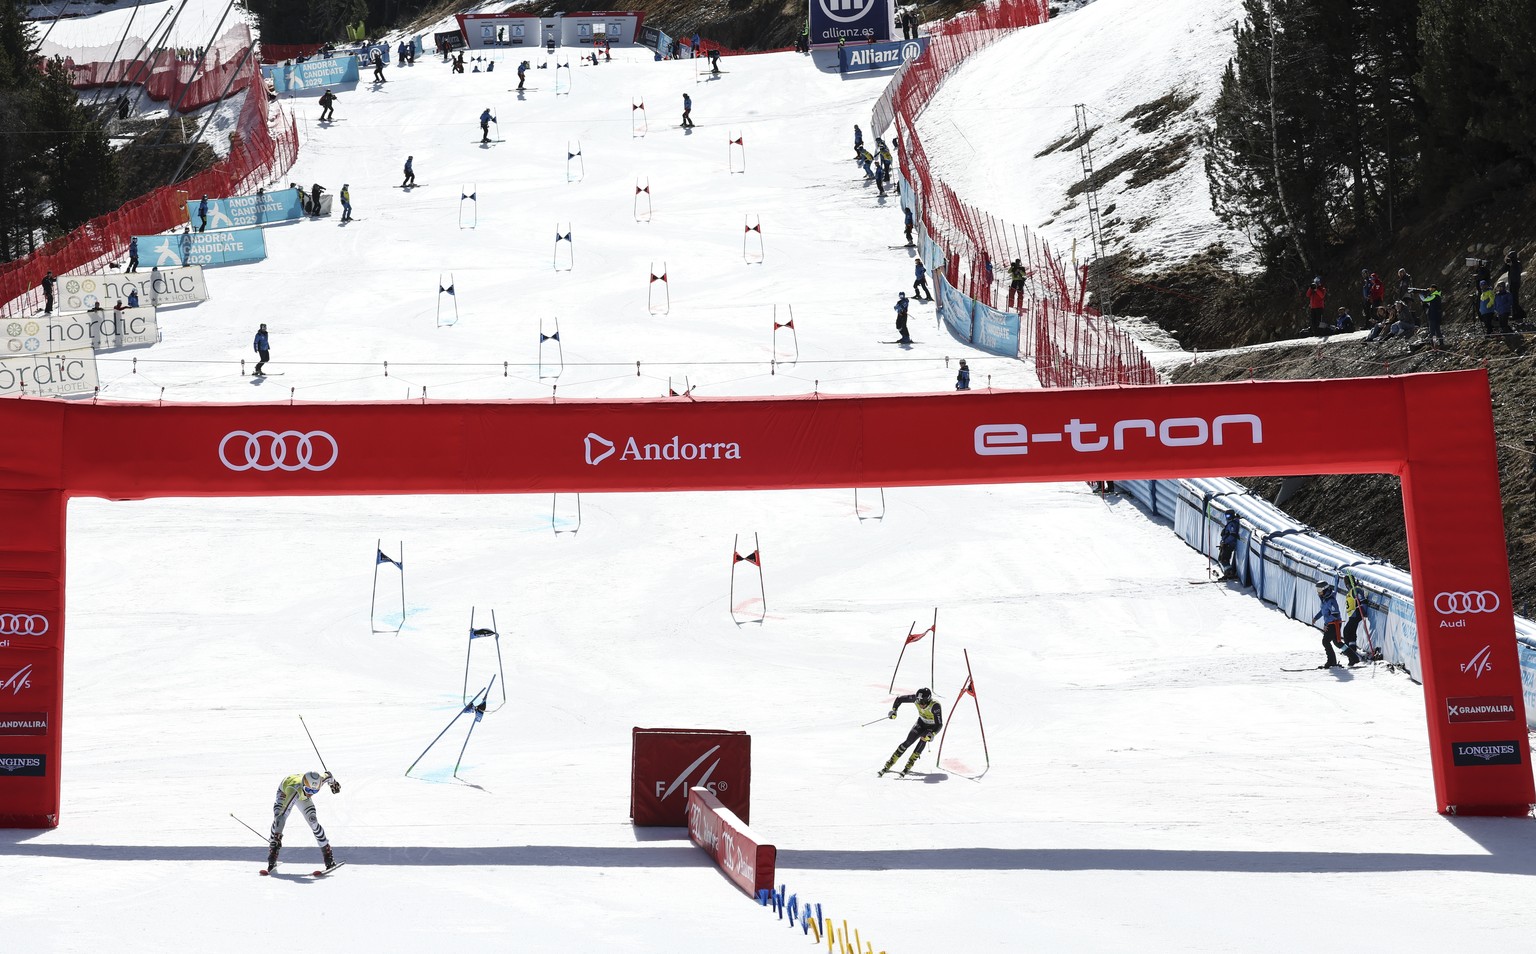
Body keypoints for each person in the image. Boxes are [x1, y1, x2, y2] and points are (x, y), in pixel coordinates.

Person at [265, 769, 341, 873]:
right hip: (287, 792)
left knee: (313, 822)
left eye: (315, 791)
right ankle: (273, 853)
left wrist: (334, 783)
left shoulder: (318, 781)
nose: (311, 794)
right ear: (304, 785)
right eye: (309, 790)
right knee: (278, 818)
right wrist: (277, 837)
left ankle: (328, 856)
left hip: (302, 795)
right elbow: (282, 816)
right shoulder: (294, 790)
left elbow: (328, 775)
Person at [879, 687, 942, 776]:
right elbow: (899, 699)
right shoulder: (916, 699)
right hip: (921, 723)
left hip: (931, 727)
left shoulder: (935, 706)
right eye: (919, 702)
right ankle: (891, 762)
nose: (920, 704)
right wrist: (894, 711)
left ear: (928, 700)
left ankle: (910, 762)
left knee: (924, 738)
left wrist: (932, 734)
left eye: (923, 703)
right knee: (908, 742)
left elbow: (939, 724)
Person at [1312, 580, 1354, 668]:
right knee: (1337, 642)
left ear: (1325, 590)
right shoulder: (1324, 599)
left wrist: (1327, 624)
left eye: (1319, 590)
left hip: (1334, 623)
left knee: (1325, 641)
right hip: (1332, 623)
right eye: (1317, 590)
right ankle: (1353, 657)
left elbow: (1335, 614)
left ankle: (1331, 661)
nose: (1318, 592)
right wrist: (1316, 617)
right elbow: (1323, 610)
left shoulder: (1331, 600)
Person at [1217, 510, 1241, 580]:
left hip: (1229, 544)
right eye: (1226, 516)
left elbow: (1232, 535)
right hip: (1227, 543)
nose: (1227, 517)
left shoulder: (1232, 524)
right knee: (1222, 558)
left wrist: (1225, 542)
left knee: (1224, 559)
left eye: (1229, 516)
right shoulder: (1230, 523)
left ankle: (1229, 574)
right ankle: (1228, 573)